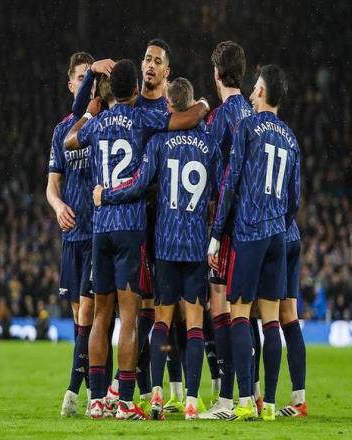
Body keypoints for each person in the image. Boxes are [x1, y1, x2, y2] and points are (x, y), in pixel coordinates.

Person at [64, 59, 210, 420]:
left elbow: (69, 141)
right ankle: (126, 400)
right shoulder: (144, 118)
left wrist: (90, 111)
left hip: (100, 228)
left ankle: (96, 400)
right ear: (135, 90)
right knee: (129, 316)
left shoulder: (97, 123)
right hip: (129, 227)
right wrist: (204, 105)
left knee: (101, 315)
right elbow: (186, 120)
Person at [101, 77, 223, 420]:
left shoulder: (158, 142)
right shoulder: (209, 144)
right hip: (195, 244)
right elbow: (218, 191)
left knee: (162, 322)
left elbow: (139, 185)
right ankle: (191, 401)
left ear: (169, 107)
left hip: (166, 244)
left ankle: (156, 396)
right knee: (195, 324)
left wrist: (107, 195)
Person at [208, 64, 300, 421]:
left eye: (255, 87)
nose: (251, 92)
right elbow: (294, 199)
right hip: (278, 234)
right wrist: (279, 222)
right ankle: (270, 405)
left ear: (261, 91)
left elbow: (230, 184)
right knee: (272, 319)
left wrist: (217, 234)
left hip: (250, 231)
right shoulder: (291, 138)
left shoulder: (247, 127)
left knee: (240, 313)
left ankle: (245, 400)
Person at [200, 40, 254, 420]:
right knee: (249, 311)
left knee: (220, 305)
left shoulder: (219, 119)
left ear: (216, 73)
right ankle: (253, 393)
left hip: (227, 223)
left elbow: (205, 172)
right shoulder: (253, 114)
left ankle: (226, 398)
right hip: (255, 225)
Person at [46, 51, 100, 417]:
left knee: (91, 315)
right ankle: (94, 389)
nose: (87, 84)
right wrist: (57, 206)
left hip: (97, 233)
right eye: (82, 78)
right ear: (71, 85)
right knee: (81, 317)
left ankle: (74, 391)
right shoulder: (61, 131)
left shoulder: (100, 123)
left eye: (91, 79)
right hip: (71, 236)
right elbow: (52, 186)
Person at [276, 218, 307, 417]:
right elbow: (294, 203)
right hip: (291, 235)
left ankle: (254, 398)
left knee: (247, 310)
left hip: (268, 236)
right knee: (288, 315)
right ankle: (299, 400)